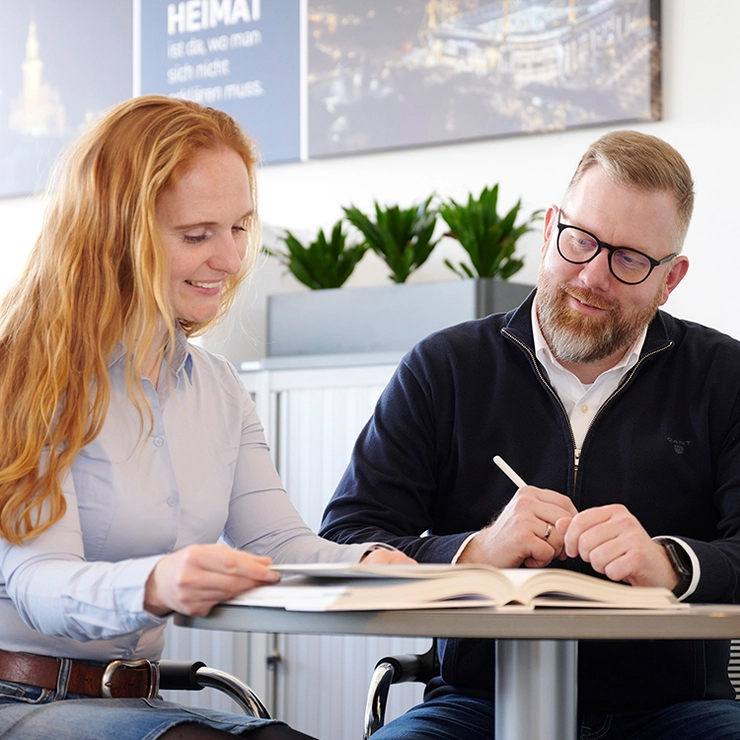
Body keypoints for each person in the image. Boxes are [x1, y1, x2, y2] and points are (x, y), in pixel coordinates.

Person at [0, 94, 411, 740]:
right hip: (21, 700)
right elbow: (34, 581)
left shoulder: (218, 389)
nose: (230, 260)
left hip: (139, 706)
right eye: (197, 235)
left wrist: (361, 564)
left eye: (240, 227)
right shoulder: (26, 373)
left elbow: (277, 545)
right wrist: (156, 582)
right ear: (115, 234)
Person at [319, 129, 740, 739]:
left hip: (676, 711)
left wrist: (672, 564)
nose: (594, 276)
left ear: (670, 279)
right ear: (550, 231)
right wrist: (476, 554)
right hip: (476, 703)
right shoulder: (447, 368)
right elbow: (346, 540)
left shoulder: (723, 377)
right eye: (580, 241)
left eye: (629, 259)